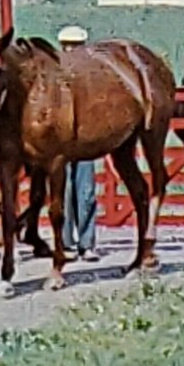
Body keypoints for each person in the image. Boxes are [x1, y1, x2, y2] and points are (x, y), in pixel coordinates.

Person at [58, 25, 100, 262]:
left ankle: (87, 242)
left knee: (85, 192)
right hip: (63, 141)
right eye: (68, 46)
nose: (72, 50)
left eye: (76, 46)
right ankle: (66, 243)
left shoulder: (91, 79)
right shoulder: (55, 76)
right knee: (63, 191)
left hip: (83, 140)